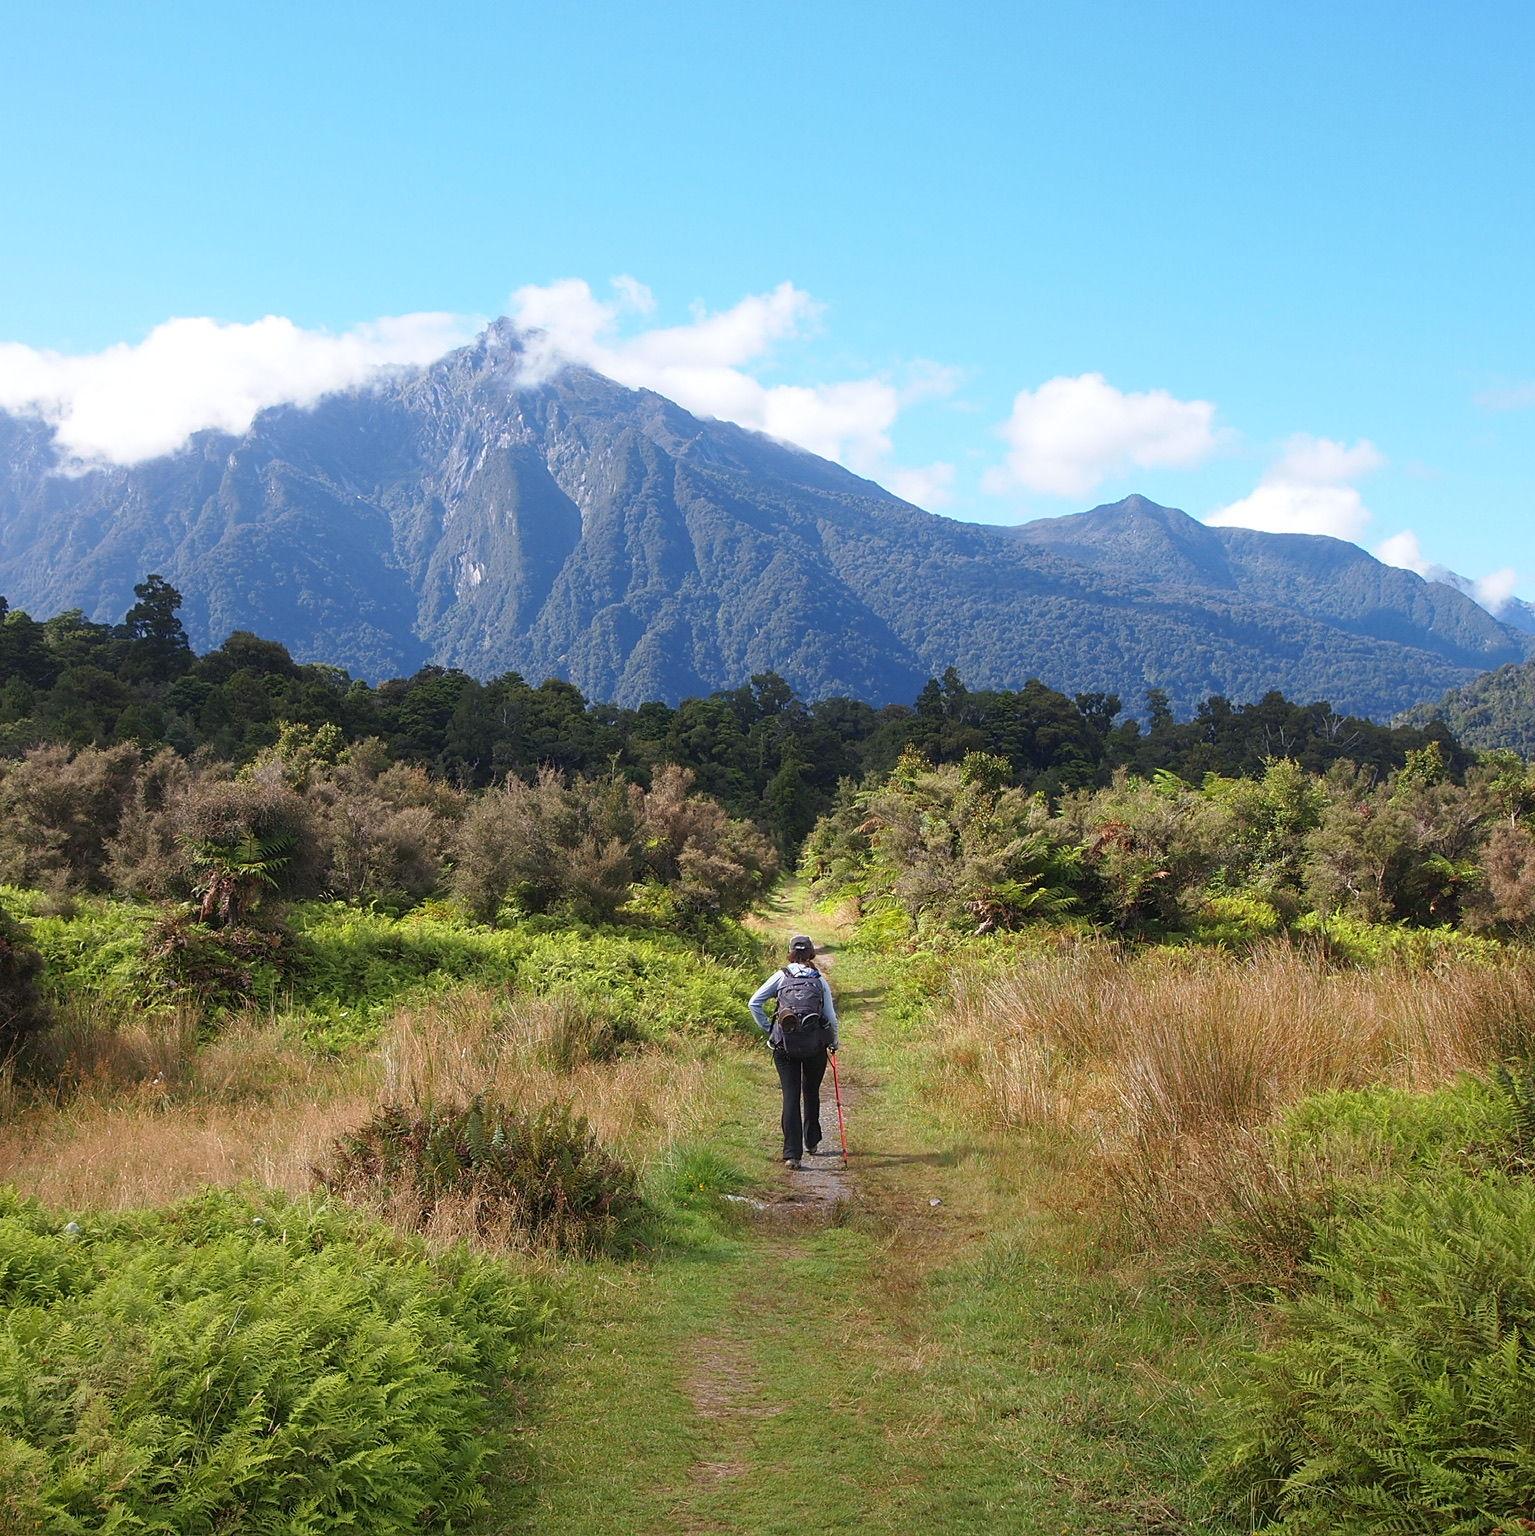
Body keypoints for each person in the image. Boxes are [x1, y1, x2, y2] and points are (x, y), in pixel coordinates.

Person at [748, 934, 840, 1170]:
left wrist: (770, 1029)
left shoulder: (781, 976)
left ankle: (792, 1154)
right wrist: (834, 1042)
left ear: (790, 952)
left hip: (784, 1045)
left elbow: (754, 1003)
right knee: (811, 1092)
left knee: (791, 1095)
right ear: (811, 954)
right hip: (814, 1045)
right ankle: (812, 1142)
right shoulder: (819, 980)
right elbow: (829, 1017)